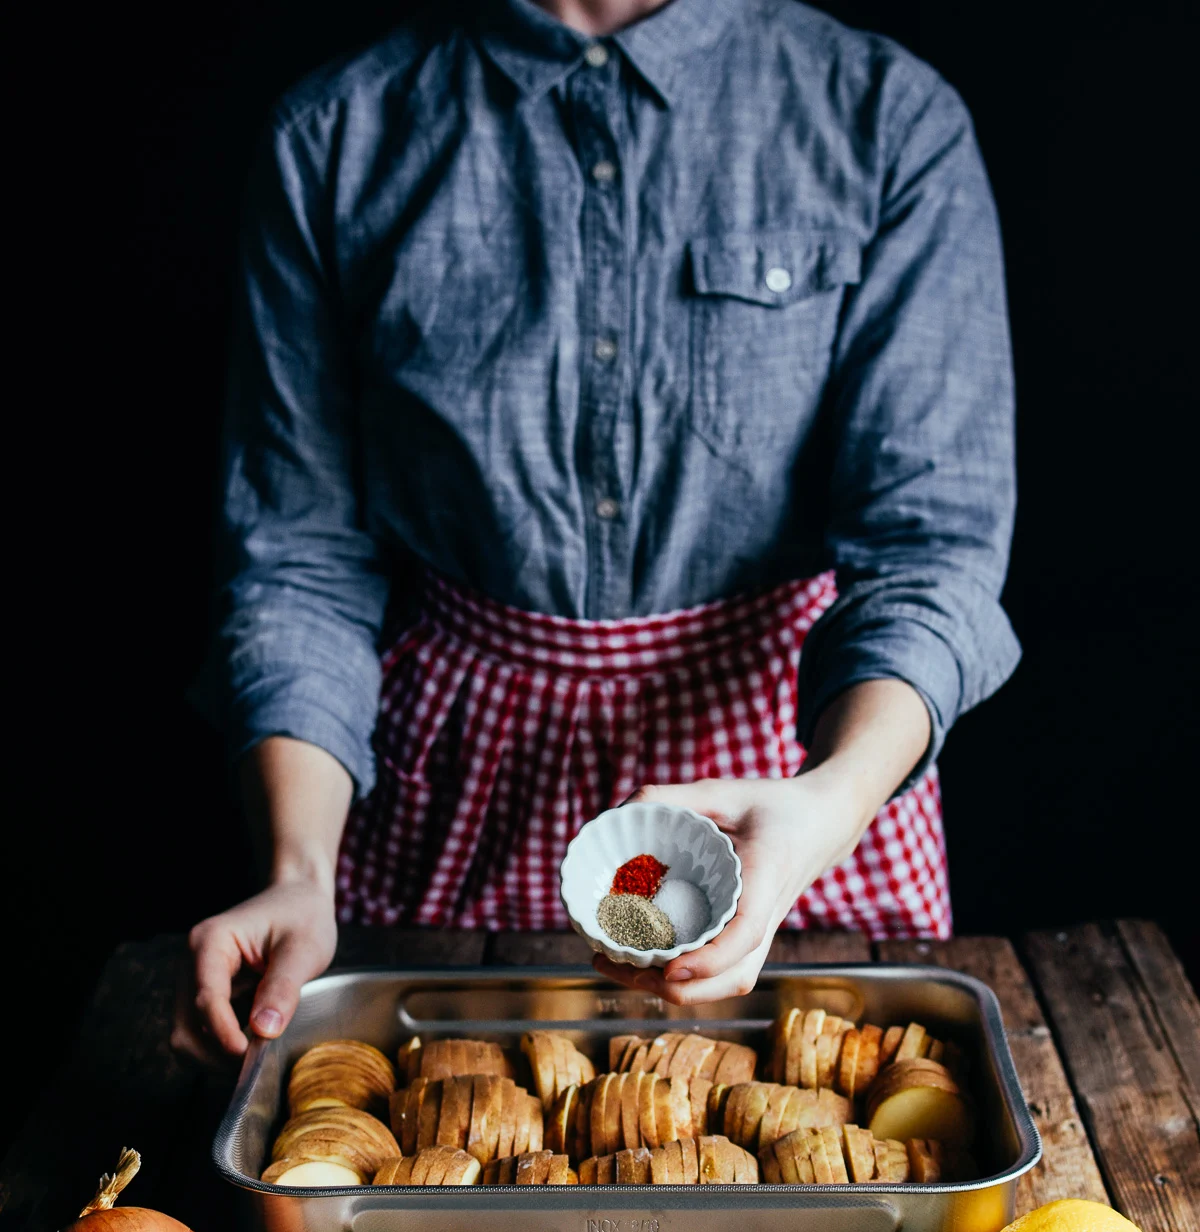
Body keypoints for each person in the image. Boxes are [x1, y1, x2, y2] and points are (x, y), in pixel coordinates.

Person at [174, 0, 1018, 1063]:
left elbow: (930, 549)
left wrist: (826, 801)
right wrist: (298, 871)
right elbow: (297, 559)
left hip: (799, 780)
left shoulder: (887, 119)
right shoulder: (335, 136)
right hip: (452, 781)